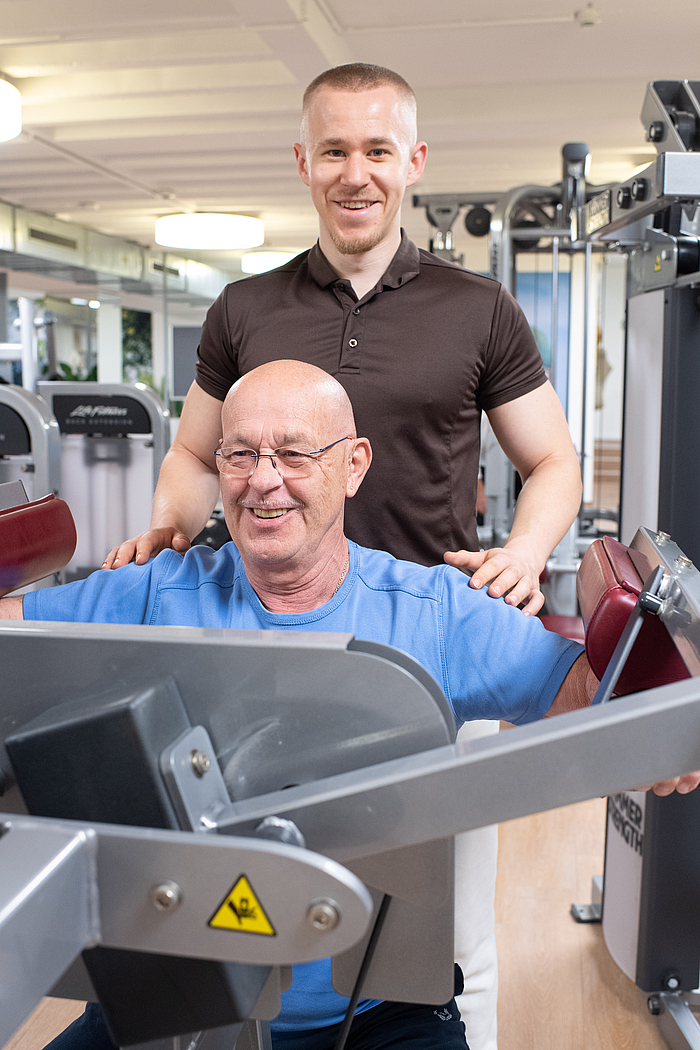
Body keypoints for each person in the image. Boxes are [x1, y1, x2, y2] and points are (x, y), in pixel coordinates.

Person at [1, 362, 695, 1050]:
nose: (263, 480)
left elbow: (581, 699)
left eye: (294, 454)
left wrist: (655, 733)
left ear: (354, 465)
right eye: (240, 454)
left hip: (379, 1011)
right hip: (168, 992)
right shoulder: (150, 594)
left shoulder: (437, 612)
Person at [105, 67, 583, 1045]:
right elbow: (197, 452)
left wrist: (527, 554)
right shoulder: (245, 309)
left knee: (441, 943)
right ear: (302, 163)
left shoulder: (477, 308)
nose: (354, 172)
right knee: (258, 913)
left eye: (375, 150)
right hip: (262, 665)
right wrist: (169, 521)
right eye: (333, 150)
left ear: (412, 162)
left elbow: (551, 462)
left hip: (430, 663)